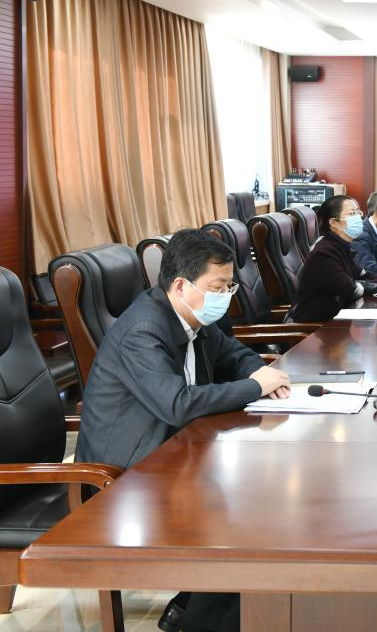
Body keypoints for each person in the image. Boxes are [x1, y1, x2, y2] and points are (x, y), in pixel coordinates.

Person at [75, 229, 292, 632]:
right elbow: (176, 404)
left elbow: (234, 354)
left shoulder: (191, 317)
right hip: (122, 478)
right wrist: (254, 387)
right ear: (180, 285)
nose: (226, 296)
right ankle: (204, 618)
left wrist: (263, 375)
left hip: (171, 456)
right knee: (246, 515)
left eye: (229, 286)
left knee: (263, 493)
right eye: (218, 287)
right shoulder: (144, 330)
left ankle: (195, 605)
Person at [288, 195, 377, 323]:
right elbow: (353, 289)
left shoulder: (342, 246)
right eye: (352, 214)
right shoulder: (324, 253)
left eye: (358, 212)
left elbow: (364, 275)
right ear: (334, 223)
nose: (358, 218)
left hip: (332, 323)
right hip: (310, 328)